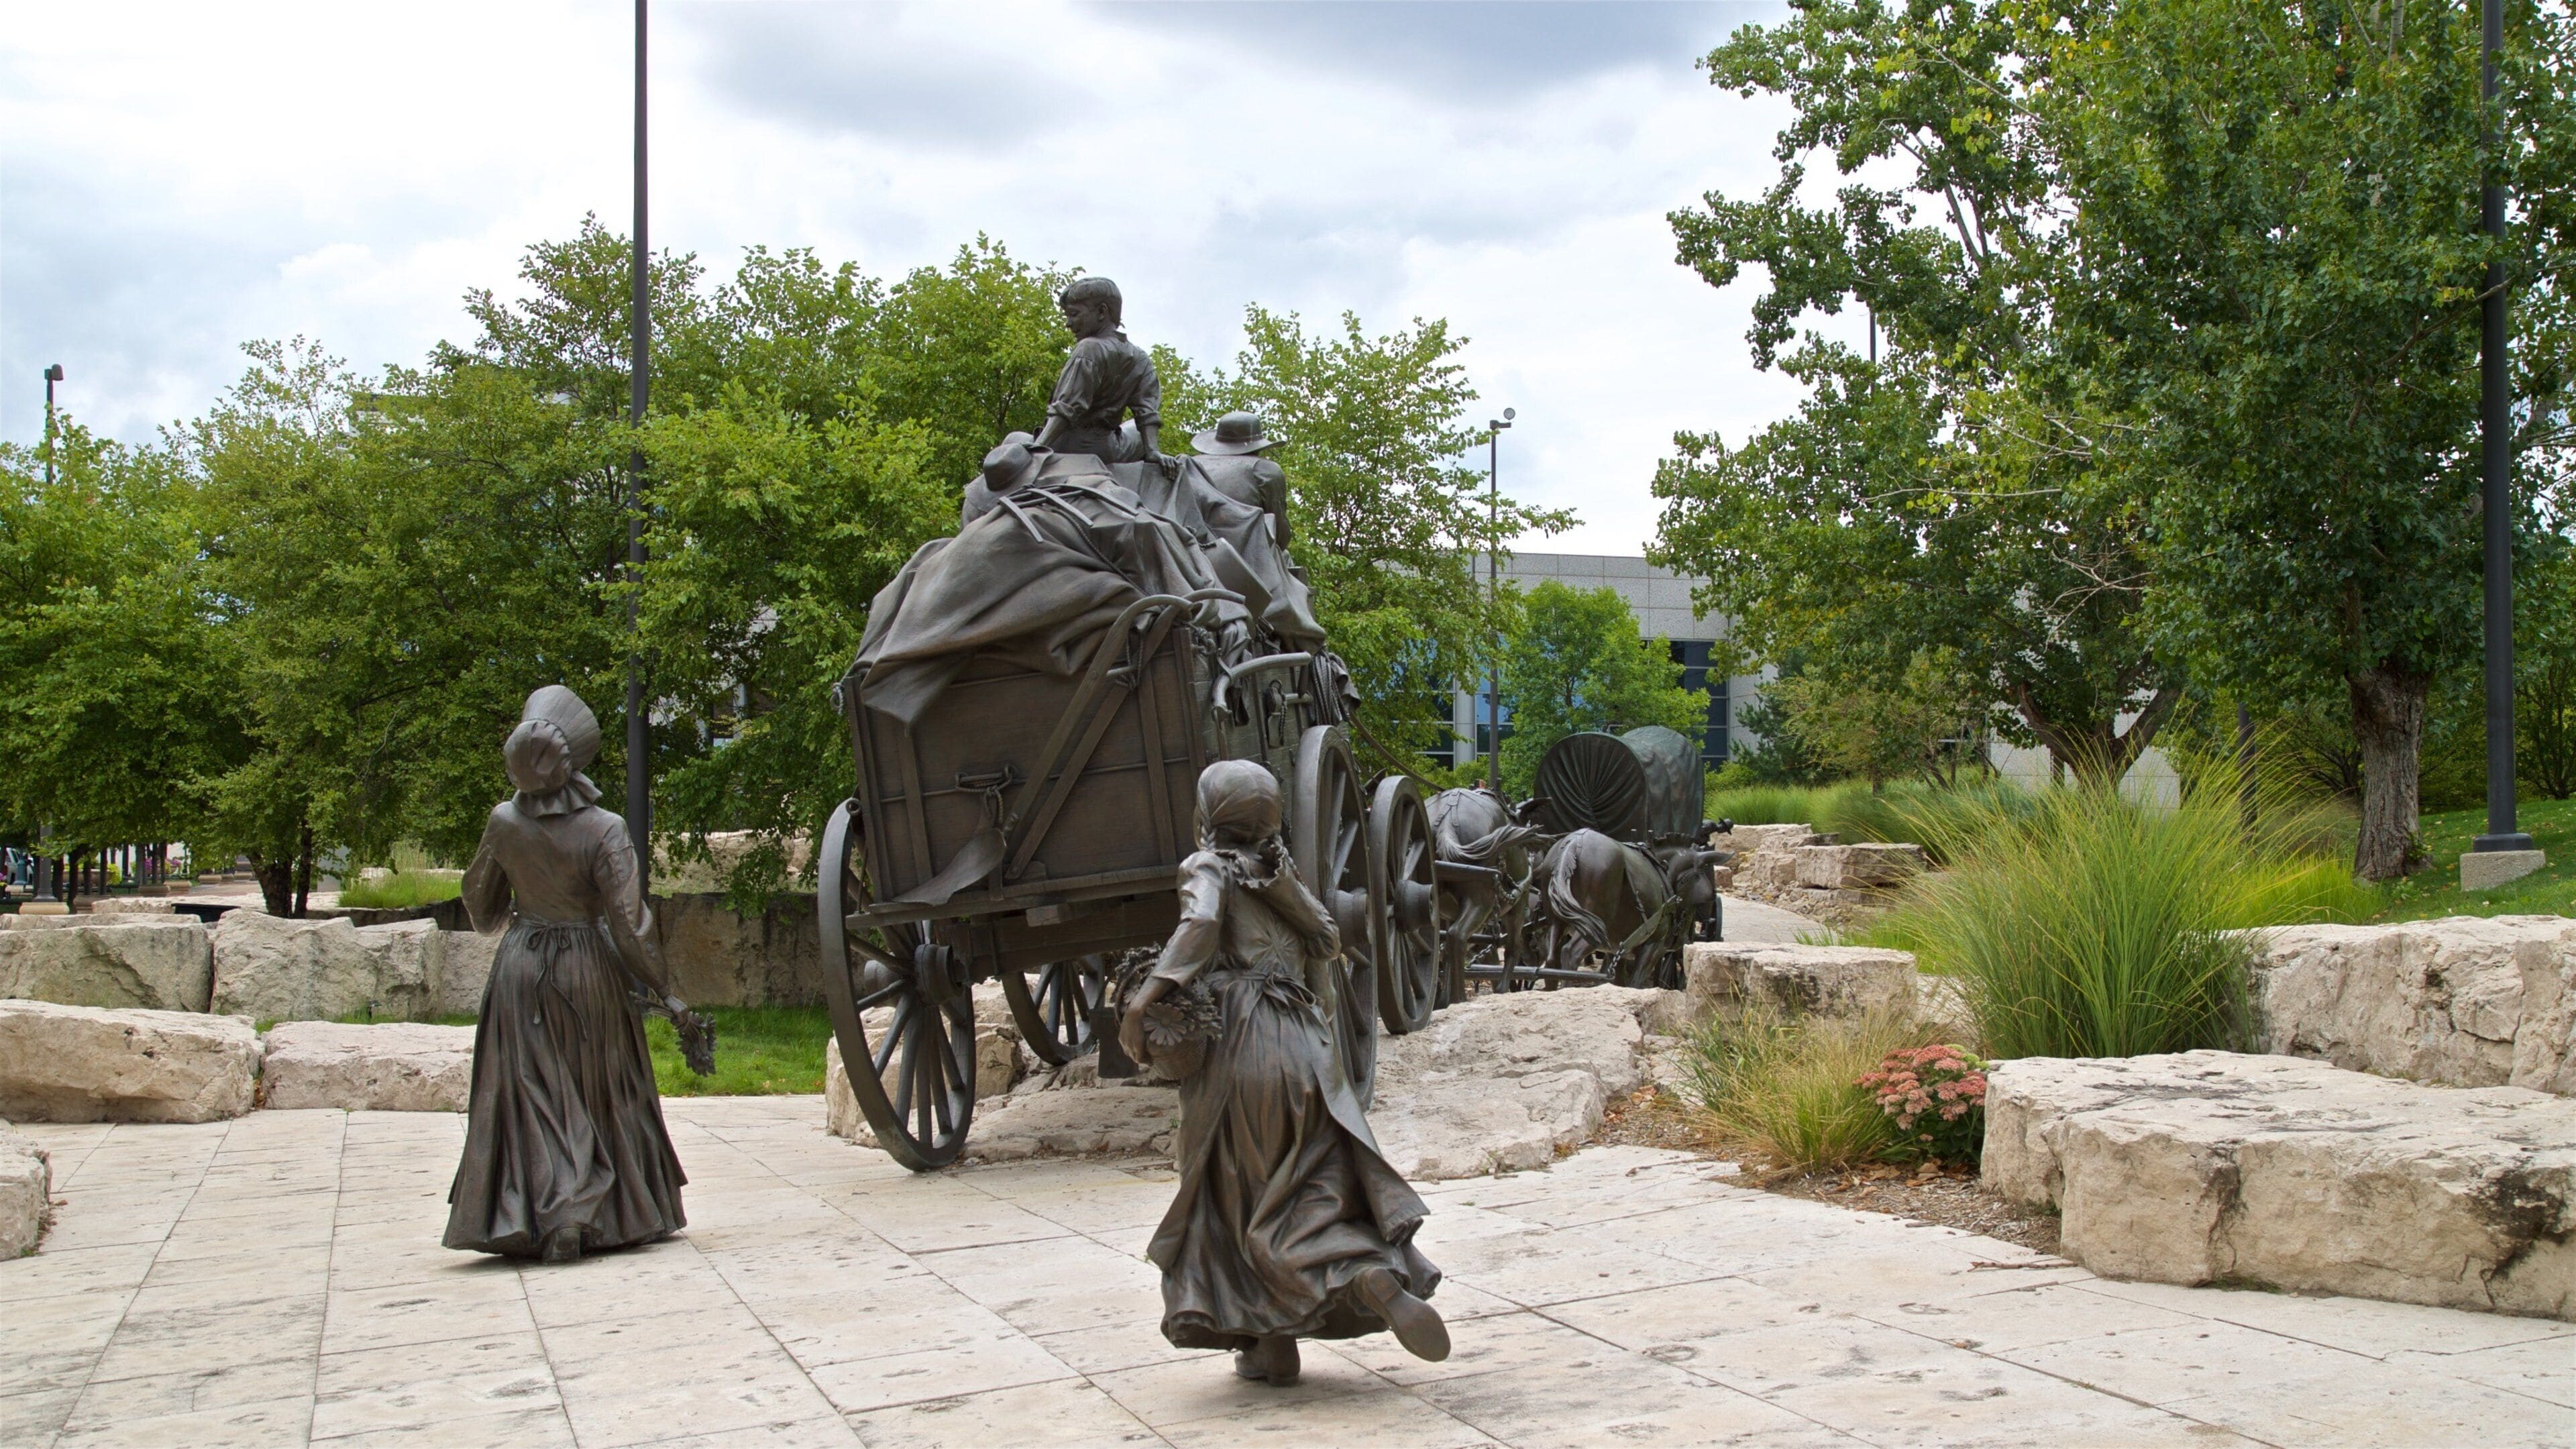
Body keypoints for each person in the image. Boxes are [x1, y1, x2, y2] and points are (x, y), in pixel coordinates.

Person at [1121, 760, 1448, 1387]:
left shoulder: (1207, 867)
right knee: (1311, 1187)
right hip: (1307, 1049)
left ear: (1208, 816)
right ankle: (1294, 1332)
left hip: (1240, 1043)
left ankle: (1333, 1290)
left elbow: (1200, 924)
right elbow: (1326, 939)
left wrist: (1146, 999)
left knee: (1239, 1198)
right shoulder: (1280, 873)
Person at [445, 686, 688, 1263]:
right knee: (593, 1088)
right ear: (576, 755)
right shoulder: (603, 828)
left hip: (520, 967)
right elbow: (629, 925)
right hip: (586, 970)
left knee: (532, 1092)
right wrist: (666, 991)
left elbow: (481, 911)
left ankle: (538, 1214)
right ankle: (581, 1215)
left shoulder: (503, 822)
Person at [1032, 277, 1171, 473]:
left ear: (1102, 312)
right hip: (1109, 449)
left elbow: (1067, 407)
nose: (1068, 324)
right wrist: (1153, 451)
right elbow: (1147, 412)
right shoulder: (1140, 358)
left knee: (1015, 439)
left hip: (1070, 446)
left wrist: (1040, 447)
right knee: (1135, 430)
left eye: (1074, 314)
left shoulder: (1088, 349)